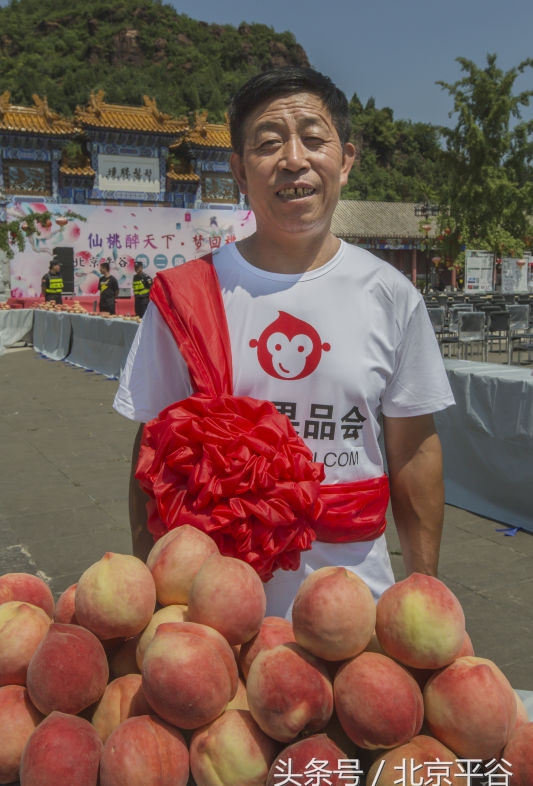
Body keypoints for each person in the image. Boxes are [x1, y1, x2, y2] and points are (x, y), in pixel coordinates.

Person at [114, 66, 455, 617]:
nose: (294, 158)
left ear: (345, 160)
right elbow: (152, 451)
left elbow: (413, 449)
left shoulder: (391, 294)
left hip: (357, 613)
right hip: (216, 615)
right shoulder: (186, 297)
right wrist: (153, 597)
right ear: (239, 173)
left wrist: (425, 596)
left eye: (314, 139)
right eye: (269, 143)